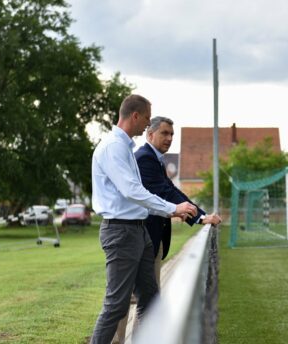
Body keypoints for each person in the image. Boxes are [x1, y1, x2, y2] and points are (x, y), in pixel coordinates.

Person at [90, 94, 197, 344]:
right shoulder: (113, 147)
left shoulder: (126, 147)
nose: (148, 125)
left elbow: (141, 193)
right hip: (121, 233)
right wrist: (173, 209)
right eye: (147, 120)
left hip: (139, 232)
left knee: (150, 299)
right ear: (135, 116)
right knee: (116, 306)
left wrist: (174, 209)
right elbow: (132, 191)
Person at [113, 116, 222, 343]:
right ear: (149, 134)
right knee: (125, 302)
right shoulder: (144, 158)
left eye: (172, 134)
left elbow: (172, 189)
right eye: (164, 133)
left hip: (151, 240)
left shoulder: (156, 160)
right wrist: (200, 218)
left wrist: (201, 215)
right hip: (139, 238)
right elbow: (164, 192)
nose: (170, 138)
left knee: (148, 301)